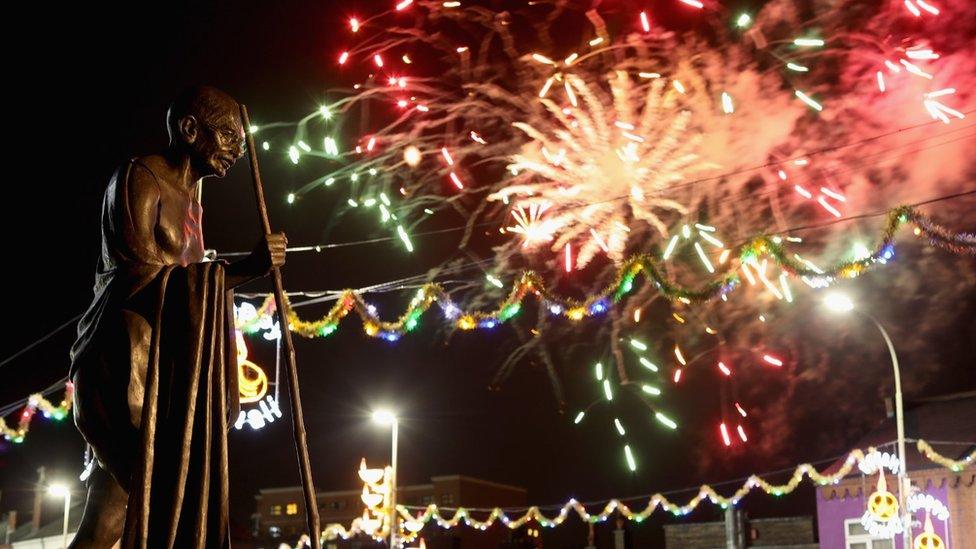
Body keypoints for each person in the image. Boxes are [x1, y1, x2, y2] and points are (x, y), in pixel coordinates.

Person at [69, 86, 286, 548]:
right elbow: (138, 276)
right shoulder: (139, 177)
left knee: (112, 519)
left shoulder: (195, 197)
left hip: (166, 373)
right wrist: (244, 270)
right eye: (227, 137)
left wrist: (232, 274)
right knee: (157, 506)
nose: (236, 151)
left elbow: (189, 281)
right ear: (190, 129)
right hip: (124, 364)